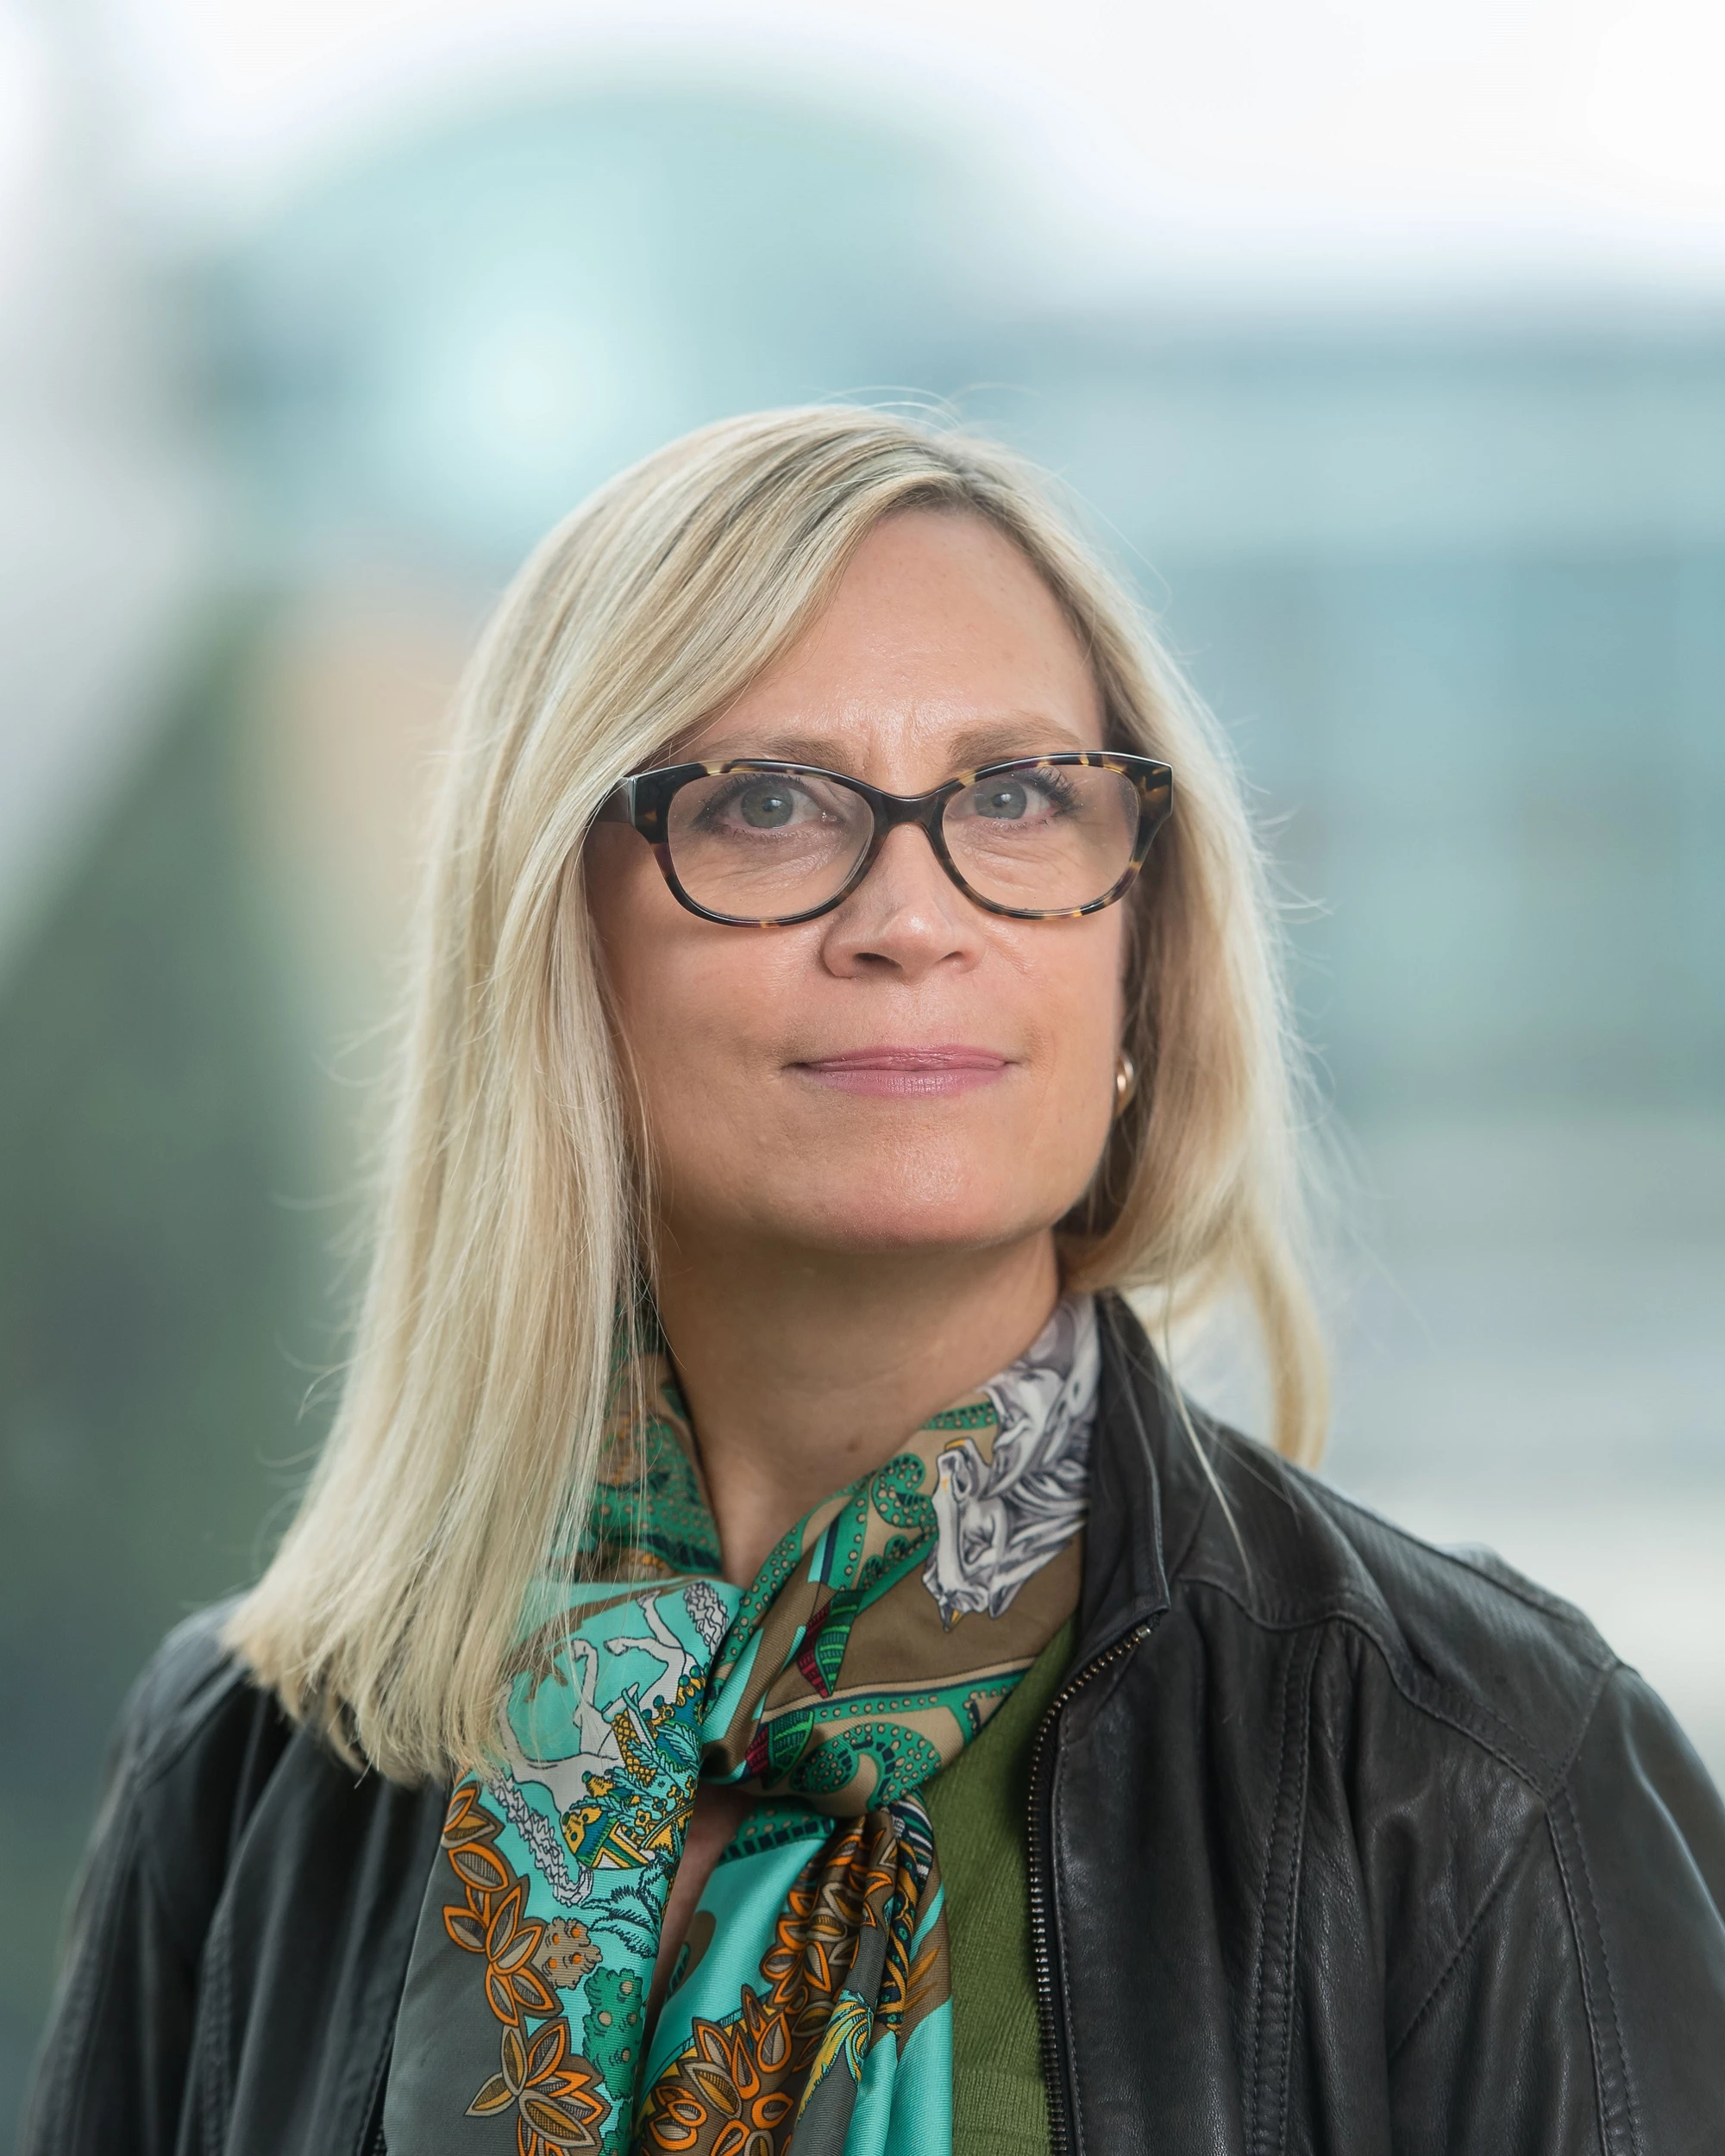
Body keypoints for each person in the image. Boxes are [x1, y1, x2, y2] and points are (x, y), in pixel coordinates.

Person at [21, 407, 1725, 2156]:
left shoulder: (1478, 1772)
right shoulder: (242, 1774)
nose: (912, 913)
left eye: (1015, 793)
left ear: (1137, 956)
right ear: (557, 948)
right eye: (767, 801)